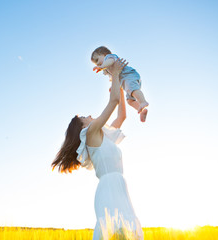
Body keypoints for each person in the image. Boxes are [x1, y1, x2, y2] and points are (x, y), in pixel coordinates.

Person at [52, 58, 144, 239]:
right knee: (114, 231)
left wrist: (116, 85)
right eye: (86, 116)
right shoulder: (91, 132)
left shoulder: (105, 136)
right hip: (109, 188)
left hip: (118, 186)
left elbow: (122, 115)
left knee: (126, 233)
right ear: (82, 126)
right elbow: (113, 102)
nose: (90, 115)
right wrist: (116, 74)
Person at [91, 46, 149, 123]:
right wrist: (113, 86)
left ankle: (143, 102)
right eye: (96, 63)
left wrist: (102, 66)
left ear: (104, 54)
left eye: (97, 60)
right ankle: (142, 110)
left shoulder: (109, 57)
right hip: (126, 81)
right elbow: (114, 77)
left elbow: (110, 61)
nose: (97, 63)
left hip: (129, 75)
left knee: (133, 90)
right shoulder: (108, 68)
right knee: (130, 101)